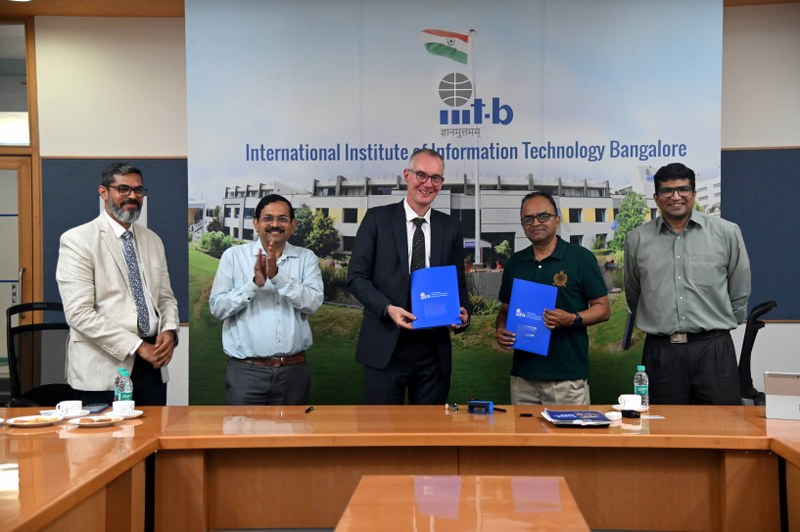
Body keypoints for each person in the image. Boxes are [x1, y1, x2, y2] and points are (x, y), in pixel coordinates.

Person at [347, 148, 470, 405]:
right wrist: (388, 308)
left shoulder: (451, 227)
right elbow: (356, 278)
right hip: (385, 344)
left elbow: (458, 282)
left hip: (433, 351)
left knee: (428, 428)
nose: (428, 184)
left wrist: (463, 313)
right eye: (421, 175)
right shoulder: (377, 219)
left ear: (442, 183)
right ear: (407, 175)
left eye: (436, 178)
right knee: (381, 428)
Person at [624, 162, 751, 405]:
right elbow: (634, 292)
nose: (676, 197)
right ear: (656, 198)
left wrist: (720, 324)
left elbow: (740, 287)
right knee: (663, 424)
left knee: (722, 423)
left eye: (683, 189)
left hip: (713, 348)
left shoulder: (726, 232)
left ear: (693, 193)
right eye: (667, 191)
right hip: (661, 353)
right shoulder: (636, 239)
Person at [56, 162, 179, 405]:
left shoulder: (152, 240)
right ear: (103, 192)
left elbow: (165, 297)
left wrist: (169, 330)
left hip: (152, 367)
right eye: (123, 189)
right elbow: (79, 314)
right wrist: (137, 346)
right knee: (106, 432)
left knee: (153, 430)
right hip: (103, 370)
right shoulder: (77, 240)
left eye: (138, 190)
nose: (132, 196)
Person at [495, 191, 610, 405]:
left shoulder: (580, 258)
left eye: (543, 216)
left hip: (567, 378)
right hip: (523, 377)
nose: (535, 223)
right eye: (528, 218)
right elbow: (505, 311)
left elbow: (603, 309)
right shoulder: (515, 263)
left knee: (569, 430)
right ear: (522, 224)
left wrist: (572, 319)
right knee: (523, 429)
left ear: (557, 219)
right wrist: (501, 330)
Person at [209, 194, 323, 405]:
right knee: (241, 428)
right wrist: (254, 284)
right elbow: (218, 308)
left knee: (293, 427)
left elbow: (313, 303)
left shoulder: (306, 258)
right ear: (256, 222)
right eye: (268, 218)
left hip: (293, 371)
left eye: (282, 219)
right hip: (246, 372)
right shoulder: (233, 256)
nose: (275, 224)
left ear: (293, 224)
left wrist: (277, 276)